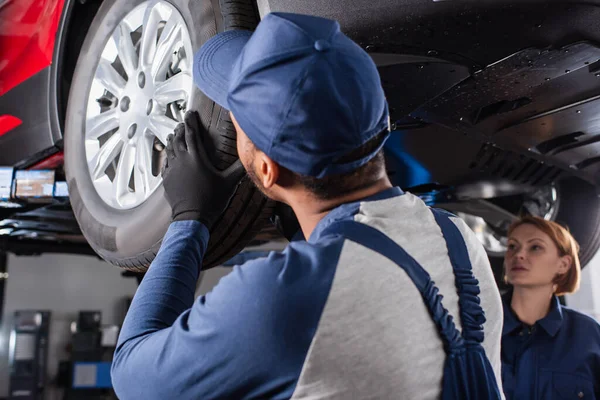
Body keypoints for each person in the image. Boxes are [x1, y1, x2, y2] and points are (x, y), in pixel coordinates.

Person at [110, 12, 504, 399]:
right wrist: (304, 232)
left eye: (236, 121)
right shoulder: (456, 237)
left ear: (267, 170)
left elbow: (131, 374)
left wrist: (188, 218)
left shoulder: (280, 299)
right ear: (380, 119)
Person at [501, 215, 600, 399]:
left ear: (563, 264)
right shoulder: (479, 329)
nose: (519, 255)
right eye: (512, 246)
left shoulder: (589, 336)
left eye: (535, 247)